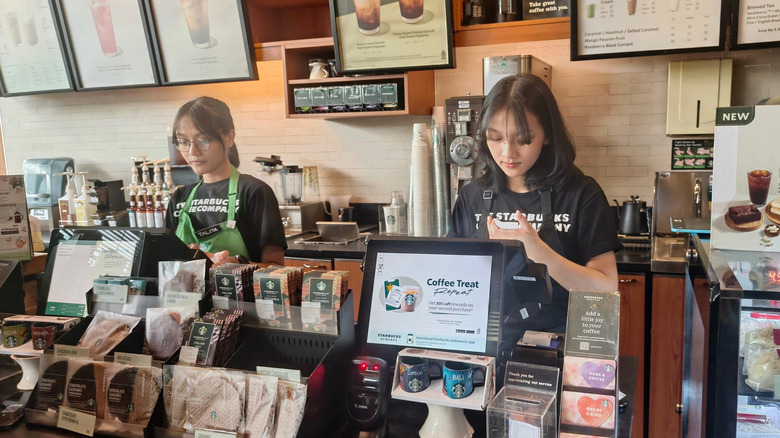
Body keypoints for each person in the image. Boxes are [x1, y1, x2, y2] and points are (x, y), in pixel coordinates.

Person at [448, 74, 621, 333]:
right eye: (495, 138)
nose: (508, 153)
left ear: (548, 135)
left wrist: (538, 252)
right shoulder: (472, 195)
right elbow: (452, 274)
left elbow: (606, 287)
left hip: (560, 343)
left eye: (524, 139)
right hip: (487, 341)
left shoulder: (582, 194)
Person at [165, 96, 286, 265]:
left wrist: (237, 265)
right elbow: (167, 264)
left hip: (240, 291)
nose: (192, 151)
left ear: (229, 137)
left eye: (203, 140)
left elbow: (276, 267)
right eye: (183, 142)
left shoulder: (254, 192)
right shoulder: (179, 198)